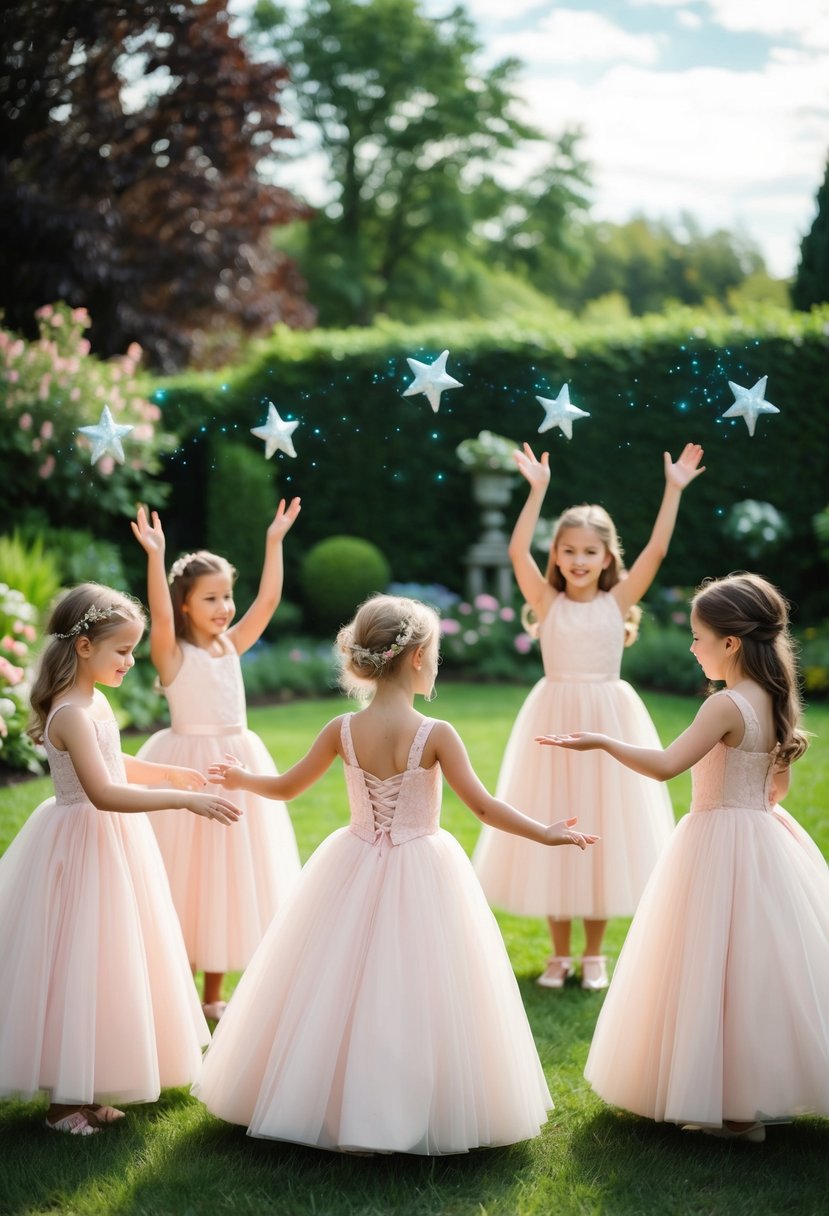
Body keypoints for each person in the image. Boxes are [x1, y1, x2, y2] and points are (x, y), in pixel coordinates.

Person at [194, 594, 597, 1155]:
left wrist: (242, 778)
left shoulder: (342, 728)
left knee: (335, 980)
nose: (437, 664)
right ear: (414, 658)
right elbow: (481, 807)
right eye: (435, 653)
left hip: (351, 859)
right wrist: (545, 831)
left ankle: (322, 1097)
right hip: (421, 864)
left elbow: (286, 787)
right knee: (421, 985)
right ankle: (408, 1104)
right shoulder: (435, 733)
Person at [538, 573, 829, 1141]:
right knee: (754, 968)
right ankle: (746, 1102)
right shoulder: (775, 699)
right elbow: (779, 790)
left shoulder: (724, 705)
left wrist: (601, 741)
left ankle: (733, 1110)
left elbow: (668, 764)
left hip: (718, 839)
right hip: (764, 837)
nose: (692, 649)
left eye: (698, 638)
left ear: (731, 644)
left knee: (712, 965)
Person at [0, 583, 241, 1136]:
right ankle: (63, 1103)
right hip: (81, 842)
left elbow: (115, 759)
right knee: (74, 963)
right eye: (122, 651)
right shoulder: (69, 714)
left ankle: (87, 1088)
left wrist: (167, 772)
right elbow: (103, 792)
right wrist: (184, 798)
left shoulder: (95, 703)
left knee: (108, 961)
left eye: (134, 650)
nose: (132, 662)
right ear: (83, 647)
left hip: (109, 846)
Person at [473, 442, 706, 991]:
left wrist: (672, 489)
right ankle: (558, 954)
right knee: (556, 818)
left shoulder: (616, 602)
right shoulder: (548, 603)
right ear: (556, 555)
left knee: (606, 827)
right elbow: (514, 553)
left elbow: (657, 551)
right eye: (568, 551)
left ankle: (594, 953)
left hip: (608, 721)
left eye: (589, 552)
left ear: (607, 558)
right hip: (552, 720)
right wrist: (537, 492)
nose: (578, 561)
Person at [131, 502, 302, 1020]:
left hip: (235, 763)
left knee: (227, 878)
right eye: (211, 598)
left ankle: (211, 995)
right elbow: (158, 615)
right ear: (187, 605)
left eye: (227, 594)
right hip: (186, 765)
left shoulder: (231, 647)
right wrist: (156, 558)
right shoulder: (173, 653)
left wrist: (274, 541)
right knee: (184, 878)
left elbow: (268, 600)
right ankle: (173, 994)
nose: (225, 606)